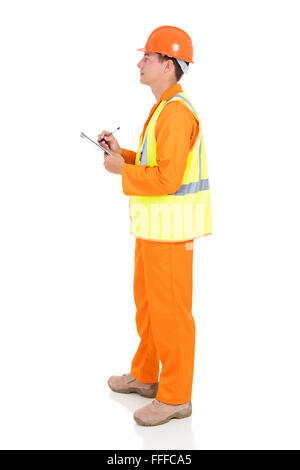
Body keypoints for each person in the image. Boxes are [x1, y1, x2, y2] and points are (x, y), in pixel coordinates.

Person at [98, 25, 212, 426]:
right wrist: (122, 156)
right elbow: (154, 165)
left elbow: (169, 180)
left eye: (147, 57)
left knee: (172, 315)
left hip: (171, 233)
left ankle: (177, 397)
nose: (140, 63)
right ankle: (146, 377)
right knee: (148, 309)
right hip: (153, 230)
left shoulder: (177, 113)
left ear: (169, 64)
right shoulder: (162, 108)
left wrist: (119, 172)